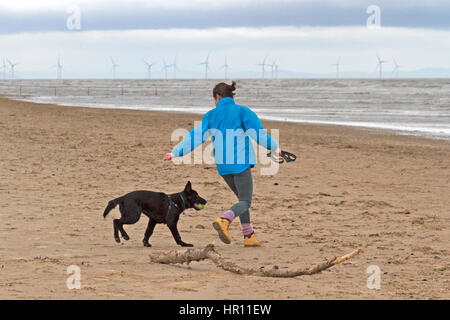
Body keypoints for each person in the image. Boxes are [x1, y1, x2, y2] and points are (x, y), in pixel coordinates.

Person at [164, 81, 280, 247]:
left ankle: (249, 236)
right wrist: (274, 147)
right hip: (240, 164)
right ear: (230, 96)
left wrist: (176, 152)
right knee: (245, 201)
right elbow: (259, 135)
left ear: (217, 97)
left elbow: (195, 136)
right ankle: (225, 220)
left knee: (241, 199)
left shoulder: (211, 115)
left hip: (223, 166)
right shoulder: (242, 111)